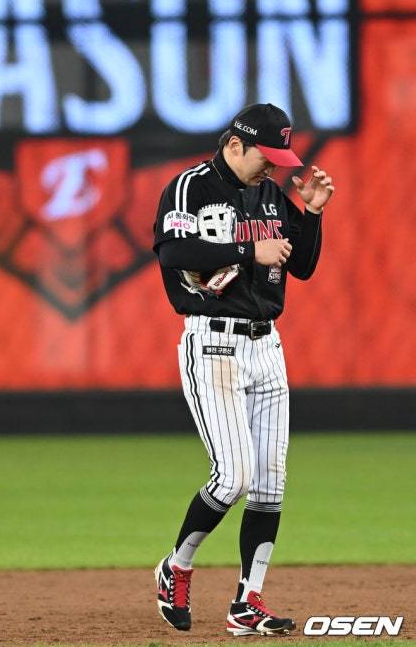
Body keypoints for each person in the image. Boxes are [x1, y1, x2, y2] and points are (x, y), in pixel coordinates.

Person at [152, 103, 334, 636]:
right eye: (267, 156)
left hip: (266, 347)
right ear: (236, 144)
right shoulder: (189, 187)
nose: (273, 167)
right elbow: (172, 252)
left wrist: (313, 213)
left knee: (270, 484)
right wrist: (248, 248)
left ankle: (247, 603)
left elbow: (299, 265)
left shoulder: (270, 194)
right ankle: (176, 568)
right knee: (233, 476)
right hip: (212, 343)